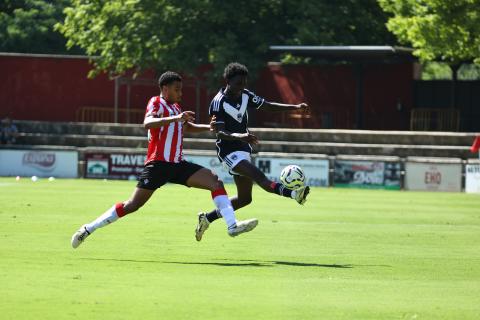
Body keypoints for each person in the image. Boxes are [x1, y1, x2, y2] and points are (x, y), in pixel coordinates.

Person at [71, 71, 258, 249]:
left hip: (177, 164)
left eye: (181, 89)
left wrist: (207, 127)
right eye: (177, 89)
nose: (180, 93)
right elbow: (148, 123)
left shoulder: (176, 108)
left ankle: (232, 225)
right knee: (132, 205)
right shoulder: (157, 102)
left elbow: (185, 127)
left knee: (215, 181)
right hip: (158, 165)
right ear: (165, 88)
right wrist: (176, 117)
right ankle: (88, 228)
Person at [195, 62, 310, 241]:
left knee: (244, 199)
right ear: (227, 81)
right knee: (261, 178)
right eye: (238, 84)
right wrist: (241, 136)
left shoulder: (246, 95)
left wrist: (294, 108)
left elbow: (268, 105)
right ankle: (294, 194)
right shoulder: (218, 103)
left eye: (244, 83)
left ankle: (207, 218)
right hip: (228, 152)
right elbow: (220, 133)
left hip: (243, 150)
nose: (241, 88)